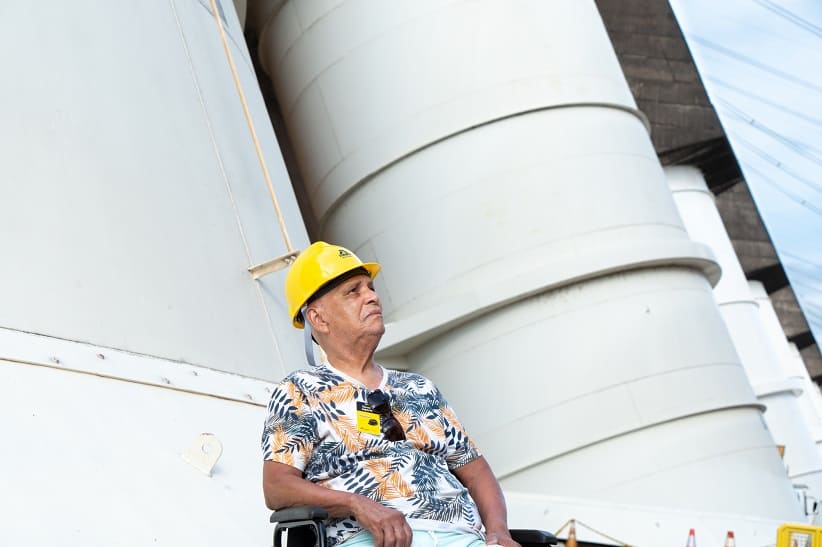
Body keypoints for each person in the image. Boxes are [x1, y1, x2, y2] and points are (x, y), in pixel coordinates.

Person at [261, 241, 520, 547]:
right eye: (353, 291)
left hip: (463, 537)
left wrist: (499, 532)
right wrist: (357, 504)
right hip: (370, 540)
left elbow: (477, 473)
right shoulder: (300, 391)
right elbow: (276, 488)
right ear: (319, 319)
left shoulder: (420, 388)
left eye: (370, 288)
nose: (372, 297)